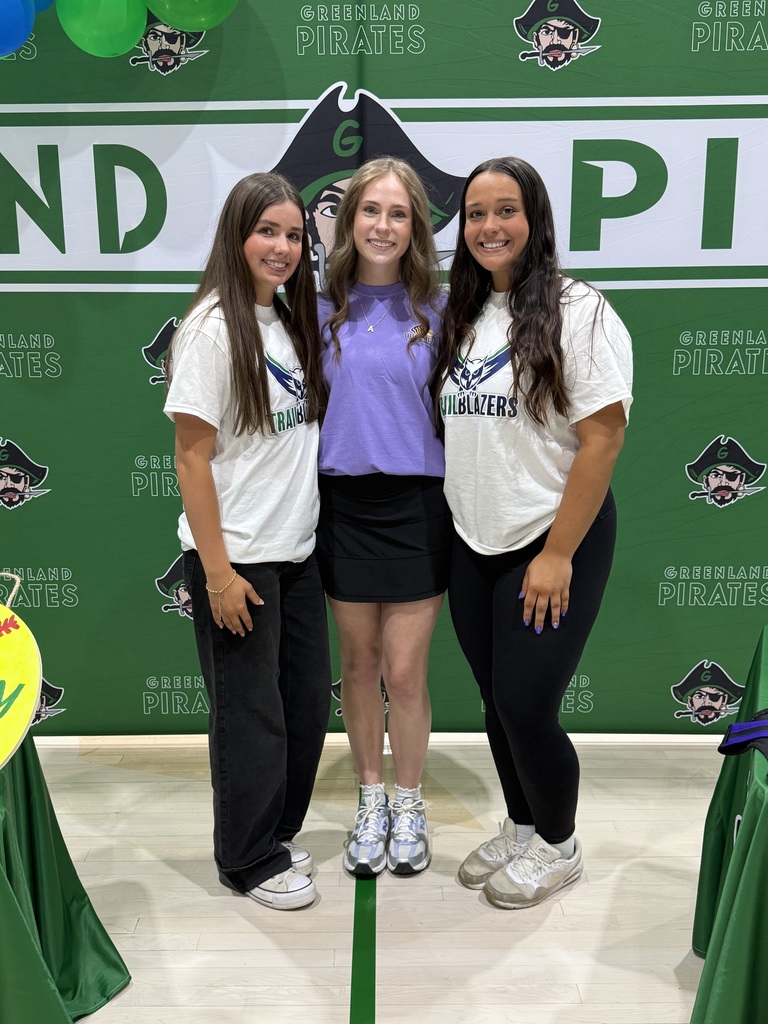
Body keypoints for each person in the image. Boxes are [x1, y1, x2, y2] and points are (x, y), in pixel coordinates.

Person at [431, 156, 633, 909]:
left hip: (550, 540)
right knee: (493, 699)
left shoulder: (581, 311)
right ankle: (521, 827)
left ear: (535, 219)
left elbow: (603, 440)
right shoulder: (465, 310)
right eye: (476, 213)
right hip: (474, 539)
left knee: (525, 706)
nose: (489, 226)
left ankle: (560, 844)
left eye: (505, 210)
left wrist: (556, 554)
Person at [163, 172, 331, 911]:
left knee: (299, 707)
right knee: (250, 716)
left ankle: (275, 832)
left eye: (294, 234)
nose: (283, 246)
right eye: (268, 231)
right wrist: (220, 572)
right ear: (237, 236)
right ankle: (246, 858)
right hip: (241, 560)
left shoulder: (290, 324)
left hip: (296, 552)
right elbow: (191, 457)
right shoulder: (209, 328)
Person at [316, 157, 451, 877]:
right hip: (343, 509)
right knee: (360, 667)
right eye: (371, 210)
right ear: (348, 219)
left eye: (398, 214)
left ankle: (409, 800)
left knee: (405, 672)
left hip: (416, 508)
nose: (383, 225)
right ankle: (370, 797)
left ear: (415, 227)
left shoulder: (443, 310)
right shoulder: (314, 308)